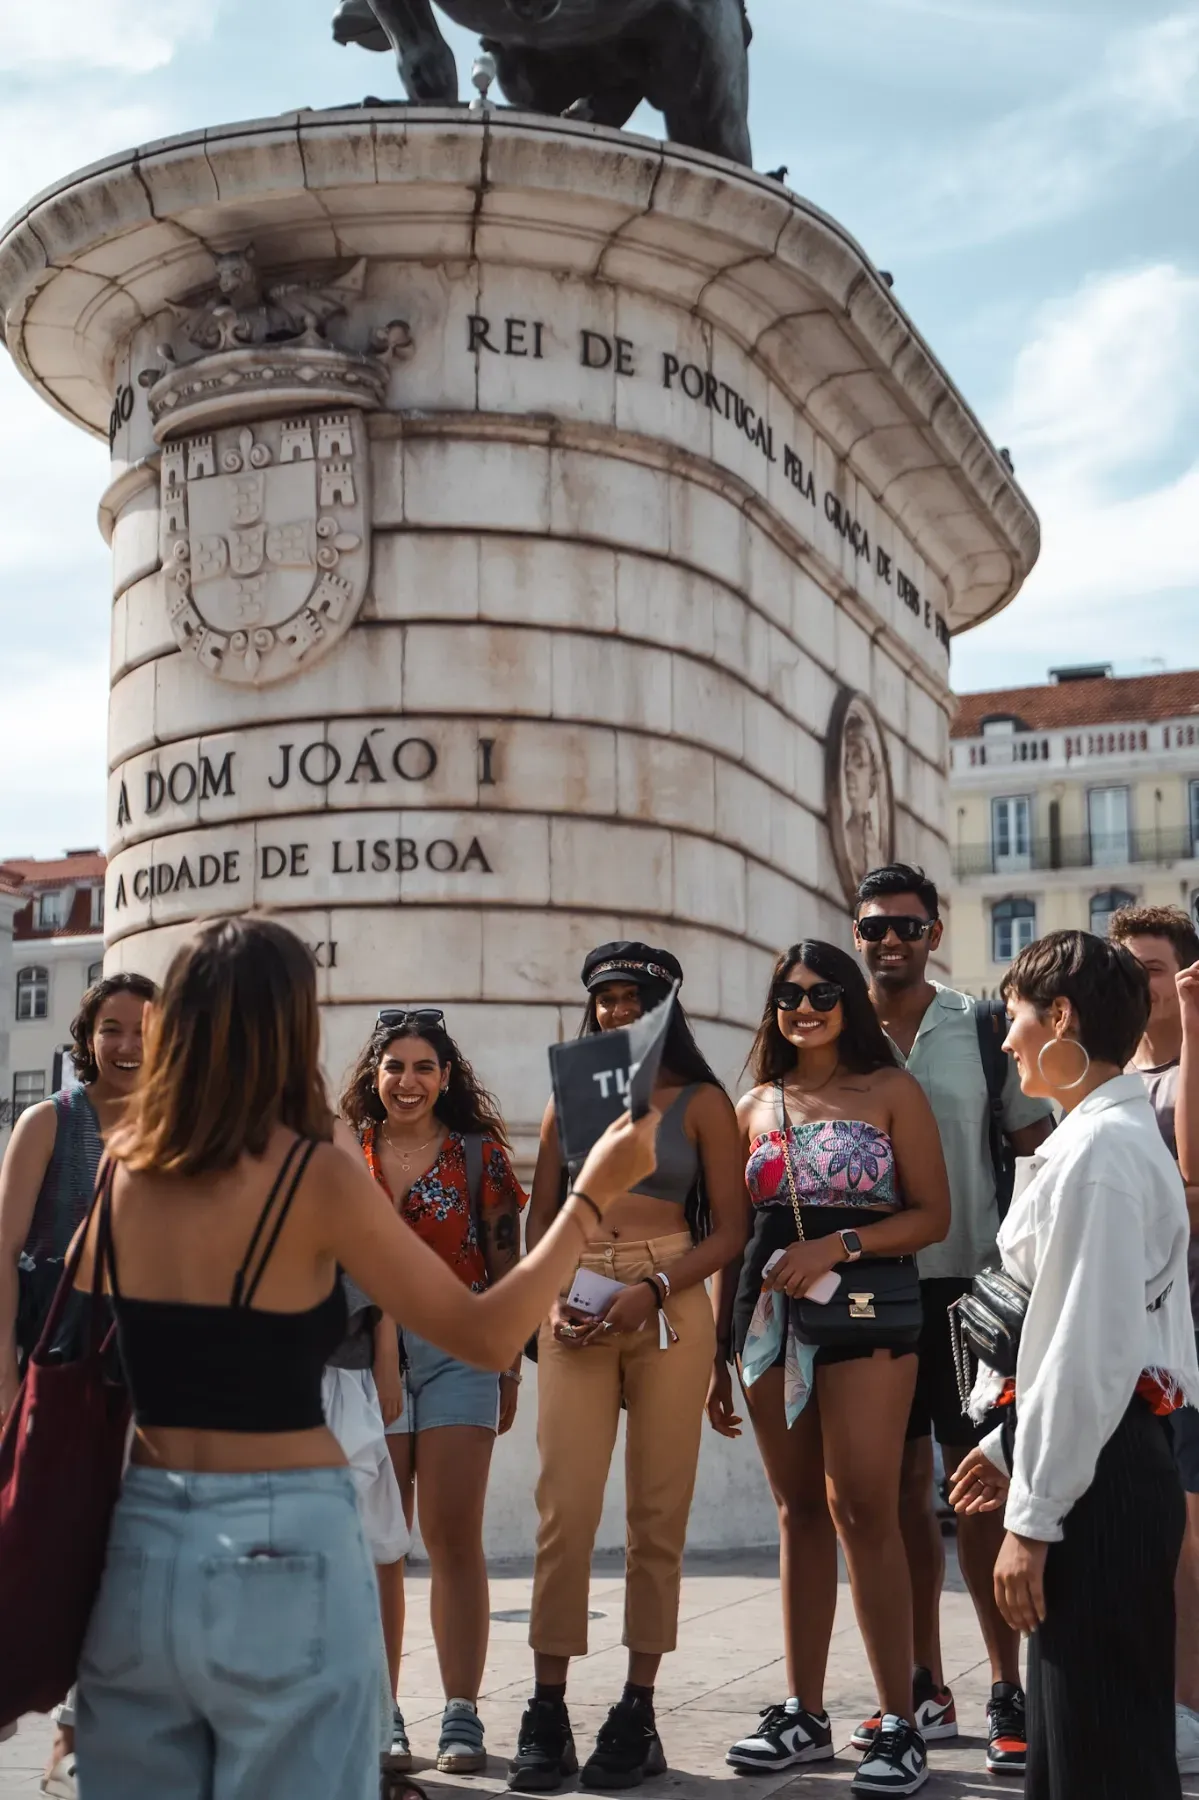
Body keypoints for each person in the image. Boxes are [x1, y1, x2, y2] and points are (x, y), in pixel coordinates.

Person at [67, 913, 659, 1800]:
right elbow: (490, 1333)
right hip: (284, 1536)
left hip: (141, 1538)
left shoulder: (125, 1167)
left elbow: (79, 1338)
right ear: (291, 1025)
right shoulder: (313, 1172)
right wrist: (586, 1198)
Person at [950, 930, 1199, 1800]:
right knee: (1084, 1758)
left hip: (1098, 1485)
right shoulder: (1101, 1143)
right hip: (1108, 1465)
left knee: (1098, 1764)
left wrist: (1033, 1521)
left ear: (1059, 1016)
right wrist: (1012, 1448)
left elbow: (1089, 1354)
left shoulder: (1098, 1156)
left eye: (1015, 1016)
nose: (1006, 1037)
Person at [508, 942, 745, 1793]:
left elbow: (731, 1230)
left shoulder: (704, 1102)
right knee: (562, 1511)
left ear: (662, 1005)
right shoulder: (568, 1101)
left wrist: (655, 1286)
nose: (615, 1010)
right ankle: (546, 1709)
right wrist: (546, 1303)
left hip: (669, 1297)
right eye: (603, 997)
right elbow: (537, 1224)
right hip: (575, 1299)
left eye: (631, 997)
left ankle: (637, 1709)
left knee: (656, 1512)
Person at [725, 941, 949, 1798]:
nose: (804, 1006)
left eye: (822, 992)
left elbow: (933, 1214)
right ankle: (802, 1713)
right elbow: (738, 1238)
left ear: (850, 1001)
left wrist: (840, 1241)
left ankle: (898, 1720)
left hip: (867, 1312)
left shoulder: (891, 1091)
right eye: (788, 994)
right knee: (796, 1514)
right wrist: (720, 1352)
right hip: (767, 1321)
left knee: (861, 1503)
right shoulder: (753, 1104)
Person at [852, 864, 1052, 1774]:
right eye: (873, 928)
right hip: (866, 1294)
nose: (888, 941)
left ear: (933, 931)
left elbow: (1036, 1151)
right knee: (895, 1499)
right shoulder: (832, 1031)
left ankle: (1004, 1685)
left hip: (973, 1292)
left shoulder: (976, 1026)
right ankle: (922, 1680)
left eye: (905, 926)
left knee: (977, 1491)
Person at [339, 1010, 527, 1775]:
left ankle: (461, 1714)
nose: (408, 1082)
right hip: (364, 1359)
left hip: (460, 1353)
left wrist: (509, 1362)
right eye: (394, 1067)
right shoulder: (345, 1159)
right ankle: (381, 1714)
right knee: (380, 1548)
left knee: (453, 1539)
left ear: (445, 1077)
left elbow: (507, 1265)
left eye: (423, 1068)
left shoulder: (481, 1156)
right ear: (373, 1076)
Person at [0, 969, 156, 1800]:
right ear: (87, 1037)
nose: (127, 1045)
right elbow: (1, 1249)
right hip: (55, 1371)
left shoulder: (183, 1125)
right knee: (43, 1545)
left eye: (143, 1028)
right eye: (112, 1028)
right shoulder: (47, 1122)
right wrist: (1, 1371)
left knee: (123, 1555)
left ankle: (87, 1724)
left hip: (149, 1376)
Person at [1110, 906, 1199, 1774]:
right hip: (1122, 1333)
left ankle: (1185, 1708)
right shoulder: (1108, 1078)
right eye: (1121, 966)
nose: (1131, 980)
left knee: (1185, 1533)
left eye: (1148, 968)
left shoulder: (1189, 1070)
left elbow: (1191, 1193)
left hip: (1186, 1333)